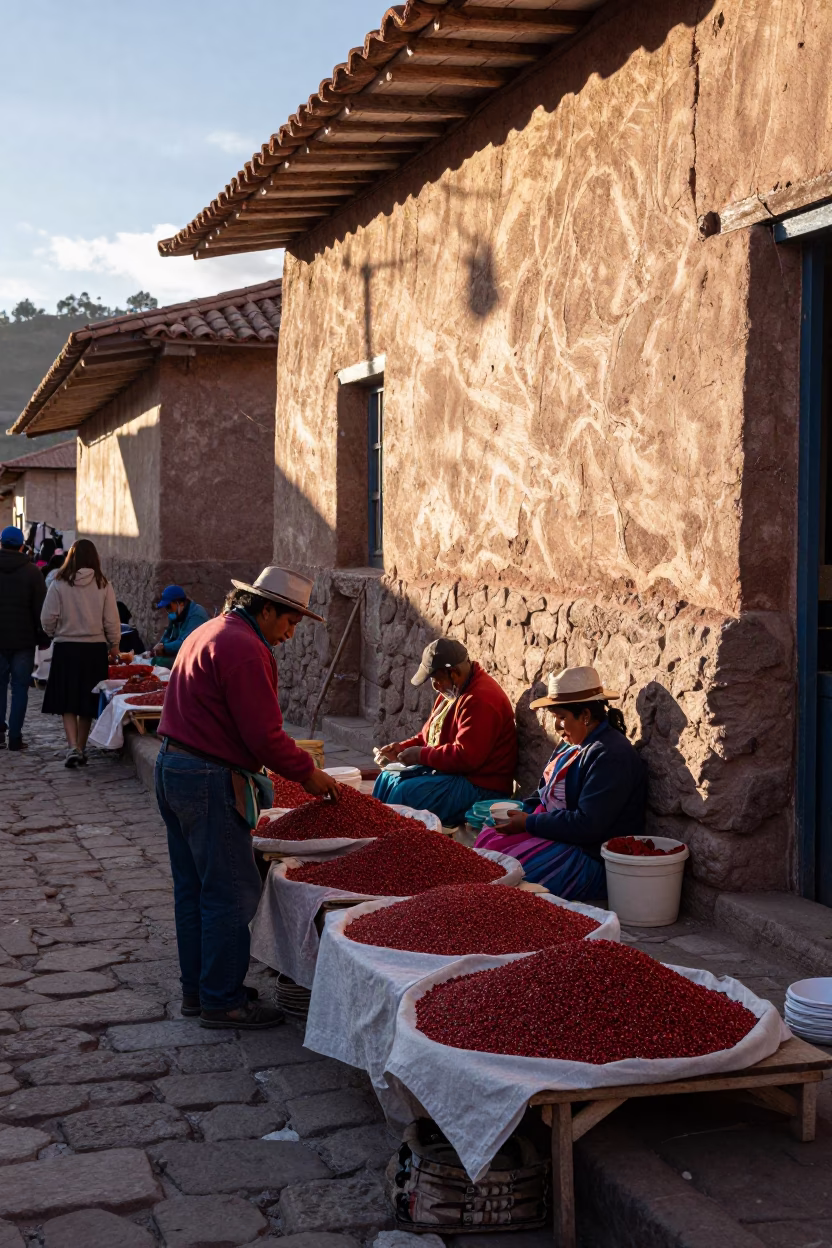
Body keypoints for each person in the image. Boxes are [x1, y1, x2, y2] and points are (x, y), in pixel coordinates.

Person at [155, 566, 339, 1031]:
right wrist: (309, 773)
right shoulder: (244, 647)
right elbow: (264, 736)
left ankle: (199, 991)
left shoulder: (211, 630)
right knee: (232, 893)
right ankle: (223, 1000)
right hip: (207, 777)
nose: (290, 633)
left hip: (174, 767)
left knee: (193, 889)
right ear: (267, 608)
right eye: (289, 622)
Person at [476, 666, 647, 900]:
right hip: (560, 834)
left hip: (588, 856)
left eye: (562, 718)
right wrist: (521, 813)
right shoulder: (573, 745)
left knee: (510, 876)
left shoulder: (610, 755)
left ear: (585, 716)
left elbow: (588, 825)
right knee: (488, 843)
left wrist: (529, 823)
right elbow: (543, 793)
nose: (557, 727)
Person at [372, 638, 517, 826]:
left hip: (481, 786)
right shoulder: (452, 691)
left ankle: (394, 846)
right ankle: (374, 837)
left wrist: (421, 755)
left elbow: (466, 757)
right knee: (387, 778)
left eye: (436, 679)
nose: (435, 686)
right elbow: (428, 736)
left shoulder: (480, 700)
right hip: (456, 774)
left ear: (454, 673)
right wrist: (401, 748)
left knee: (405, 792)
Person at [41, 539, 121, 768]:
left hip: (67, 647)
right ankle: (82, 748)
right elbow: (111, 619)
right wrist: (114, 643)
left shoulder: (58, 583)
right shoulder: (103, 584)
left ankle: (73, 746)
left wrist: (53, 632)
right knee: (88, 699)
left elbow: (48, 617)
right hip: (94, 648)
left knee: (68, 700)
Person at [0, 525, 47, 751]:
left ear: (1, 544)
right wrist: (43, 637)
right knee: (20, 688)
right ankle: (15, 738)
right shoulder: (32, 572)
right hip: (23, 642)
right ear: (21, 546)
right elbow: (41, 610)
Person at [149, 585, 209, 669]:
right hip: (182, 653)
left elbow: (186, 643)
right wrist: (159, 646)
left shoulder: (196, 616)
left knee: (160, 662)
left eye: (169, 607)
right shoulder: (177, 615)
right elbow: (168, 634)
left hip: (196, 656)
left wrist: (165, 648)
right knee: (155, 660)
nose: (168, 611)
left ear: (180, 603)